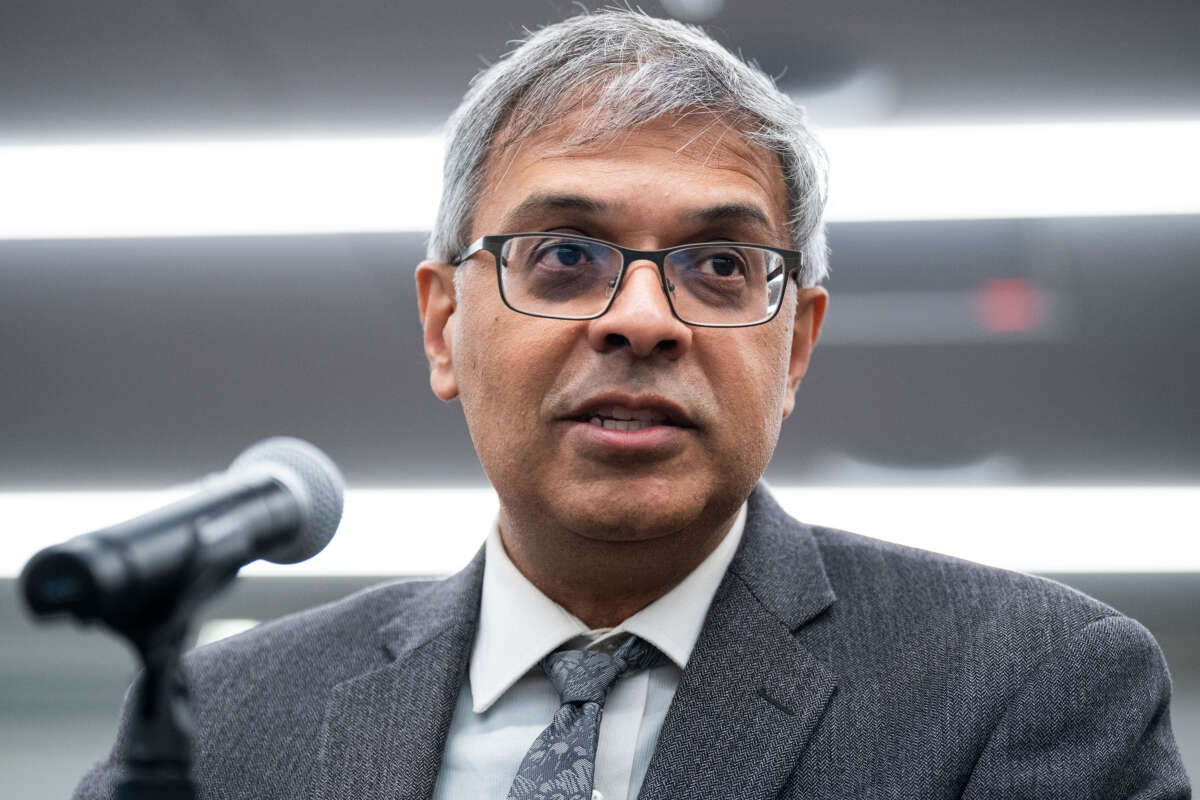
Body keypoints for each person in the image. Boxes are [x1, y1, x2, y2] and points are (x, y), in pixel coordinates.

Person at [76, 10, 1190, 800]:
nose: (644, 319)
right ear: (441, 326)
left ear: (794, 342)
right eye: (563, 255)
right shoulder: (219, 726)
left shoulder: (1029, 682)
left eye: (718, 267)